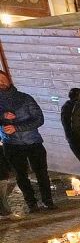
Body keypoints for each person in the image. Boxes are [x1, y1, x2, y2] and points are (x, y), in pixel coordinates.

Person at [0, 70, 55, 212]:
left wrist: (17, 127)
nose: (1, 82)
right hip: (11, 144)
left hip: (33, 141)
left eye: (3, 79)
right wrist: (3, 116)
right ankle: (31, 203)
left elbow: (39, 119)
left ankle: (48, 201)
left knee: (41, 172)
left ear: (8, 79)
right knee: (21, 175)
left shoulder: (25, 98)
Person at [0, 146, 17, 218]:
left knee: (2, 195)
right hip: (2, 175)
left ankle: (5, 212)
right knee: (2, 195)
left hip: (2, 175)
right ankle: (6, 212)